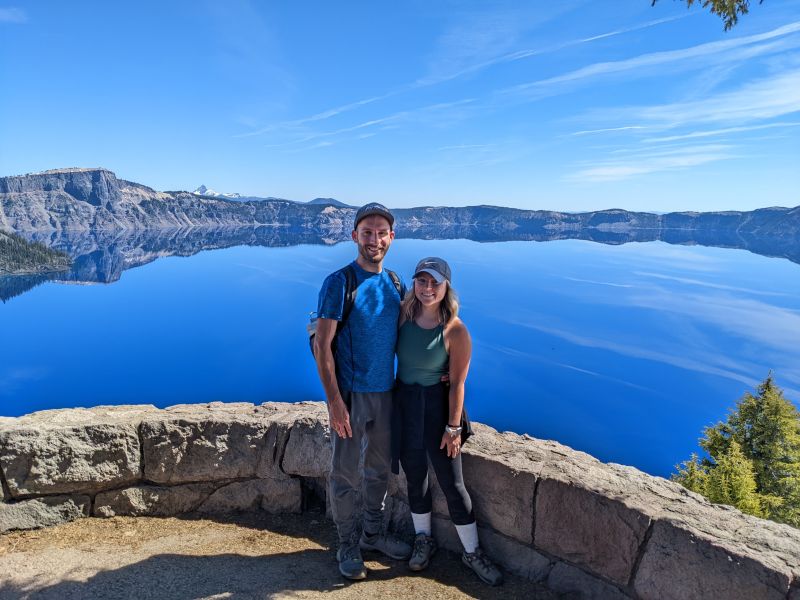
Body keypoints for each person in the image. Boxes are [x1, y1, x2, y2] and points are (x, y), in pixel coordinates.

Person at [314, 202, 412, 580]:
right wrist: (335, 402)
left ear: (392, 237)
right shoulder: (340, 282)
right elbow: (323, 346)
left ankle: (373, 535)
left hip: (386, 393)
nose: (374, 240)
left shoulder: (396, 283)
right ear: (354, 235)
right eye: (366, 232)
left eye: (381, 233)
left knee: (378, 471)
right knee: (345, 474)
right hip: (351, 396)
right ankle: (347, 543)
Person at [393, 257, 503, 586]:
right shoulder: (401, 316)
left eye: (435, 283)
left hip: (439, 410)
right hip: (405, 407)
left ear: (446, 288)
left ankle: (472, 553)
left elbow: (457, 383)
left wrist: (453, 427)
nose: (427, 288)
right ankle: (423, 540)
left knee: (453, 484)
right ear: (414, 284)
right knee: (415, 479)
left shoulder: (455, 329)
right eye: (422, 281)